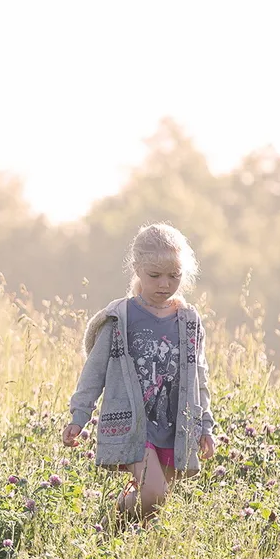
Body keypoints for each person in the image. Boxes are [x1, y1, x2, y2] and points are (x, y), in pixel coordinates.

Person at [61, 222, 217, 523]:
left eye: (174, 276)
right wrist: (79, 416)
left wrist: (205, 427)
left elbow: (200, 376)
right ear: (137, 269)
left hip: (174, 425)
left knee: (152, 505)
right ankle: (109, 526)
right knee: (154, 493)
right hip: (133, 423)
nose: (165, 284)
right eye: (154, 275)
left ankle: (107, 533)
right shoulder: (121, 318)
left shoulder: (189, 320)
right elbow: (94, 370)